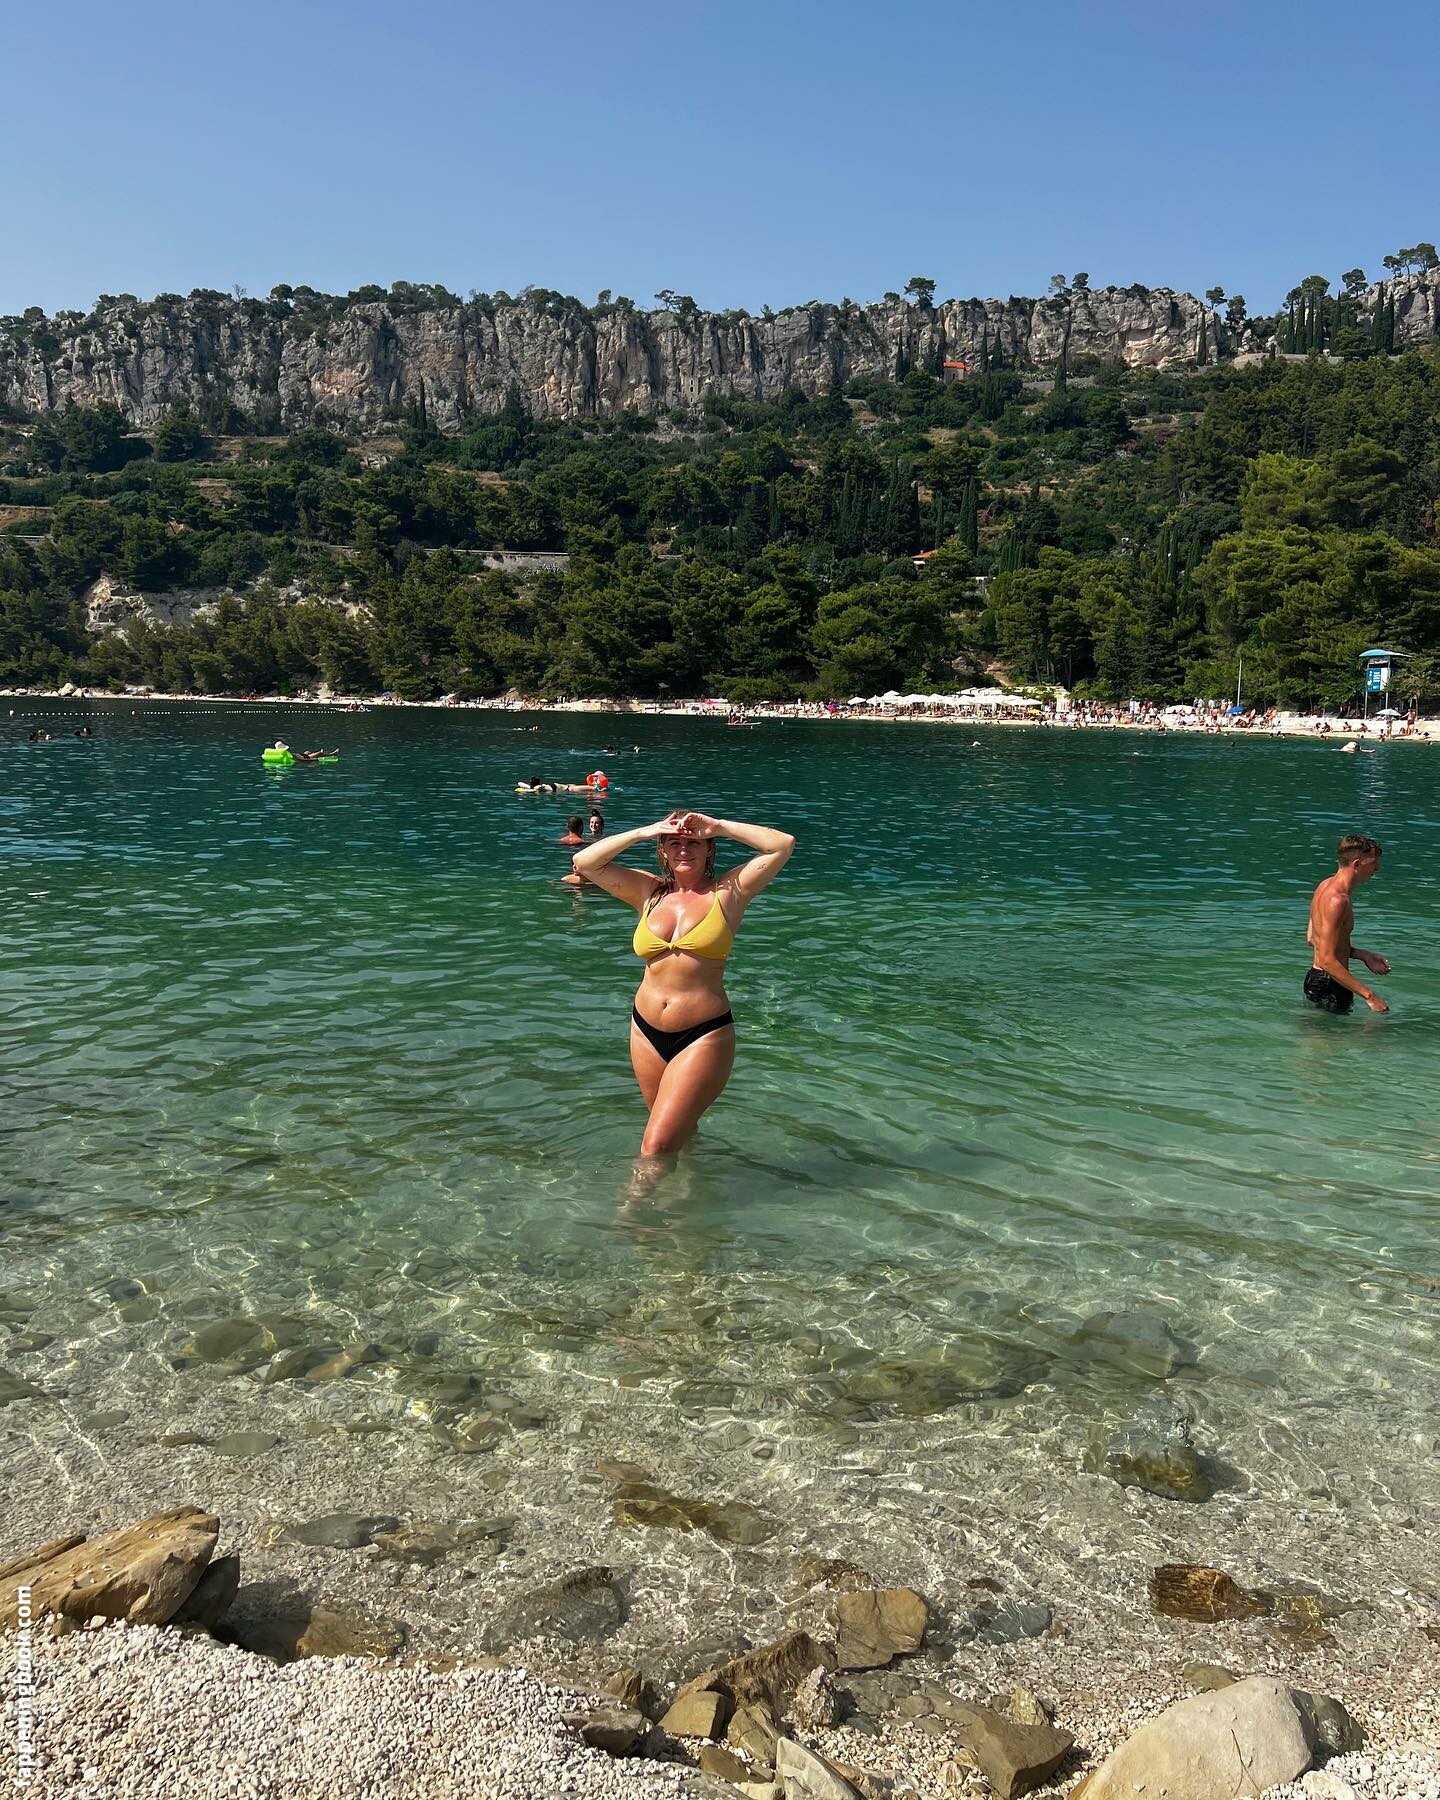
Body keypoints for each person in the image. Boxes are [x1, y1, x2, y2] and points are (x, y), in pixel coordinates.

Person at [572, 808, 795, 1167]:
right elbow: (585, 862)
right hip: (645, 1031)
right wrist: (646, 831)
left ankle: (633, 1203)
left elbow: (782, 845)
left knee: (655, 1147)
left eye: (694, 842)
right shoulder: (648, 892)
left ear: (709, 849)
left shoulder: (730, 891)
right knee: (680, 1133)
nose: (684, 850)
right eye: (674, 843)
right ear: (663, 850)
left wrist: (718, 826)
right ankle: (691, 1191)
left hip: (703, 1033)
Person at [1305, 835, 1389, 1014]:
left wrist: (1362, 955)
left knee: (1321, 1032)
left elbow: (1312, 939)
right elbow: (1327, 960)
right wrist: (1370, 997)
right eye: (1374, 862)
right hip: (1331, 986)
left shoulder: (1324, 886)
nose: (1378, 868)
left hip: (1317, 980)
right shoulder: (1337, 901)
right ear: (1357, 864)